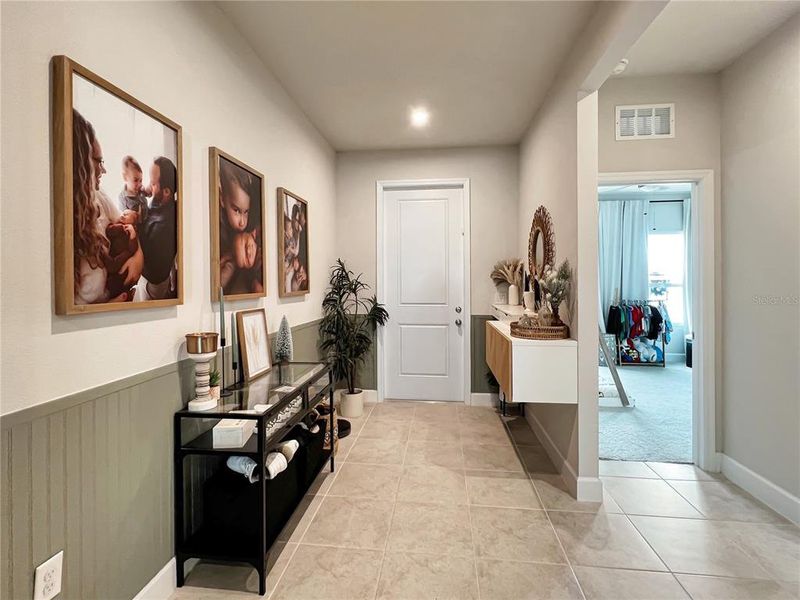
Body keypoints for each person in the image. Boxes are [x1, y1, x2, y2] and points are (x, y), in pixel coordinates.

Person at [72, 109, 142, 305]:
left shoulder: (100, 197)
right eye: (99, 161)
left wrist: (138, 255)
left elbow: (126, 226)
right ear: (81, 161)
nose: (103, 169)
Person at [136, 156, 177, 300]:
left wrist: (137, 223)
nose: (148, 186)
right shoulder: (163, 202)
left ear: (166, 192)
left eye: (153, 184)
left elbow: (147, 260)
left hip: (153, 284)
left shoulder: (163, 228)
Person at [118, 155, 150, 221]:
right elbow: (123, 217)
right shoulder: (123, 198)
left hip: (147, 221)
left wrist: (147, 190)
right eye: (135, 180)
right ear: (125, 177)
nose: (139, 184)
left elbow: (149, 194)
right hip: (136, 226)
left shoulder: (140, 189)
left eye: (141, 180)